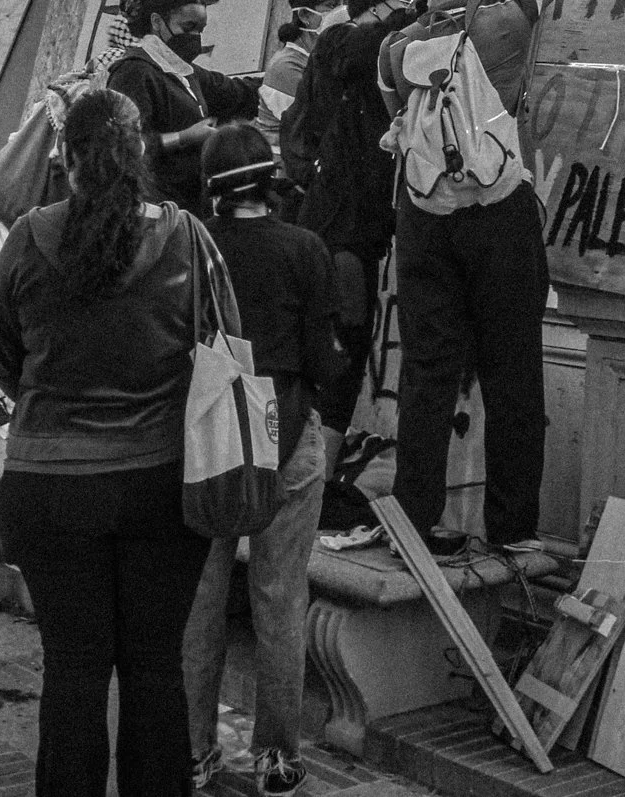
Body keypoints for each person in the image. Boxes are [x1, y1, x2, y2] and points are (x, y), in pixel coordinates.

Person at [377, 0, 625, 552]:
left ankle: (416, 523)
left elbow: (396, 114)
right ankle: (511, 530)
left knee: (427, 377)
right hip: (498, 217)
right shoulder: (505, 18)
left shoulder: (392, 48)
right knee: (513, 374)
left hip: (422, 222)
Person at [0, 89, 235, 796]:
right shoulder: (187, 237)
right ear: (141, 154)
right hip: (160, 482)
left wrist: (46, 401)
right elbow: (226, 349)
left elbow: (1, 350)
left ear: (66, 157)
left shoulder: (28, 237)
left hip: (47, 485)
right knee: (155, 664)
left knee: (73, 666)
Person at [183, 123, 341, 794]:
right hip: (288, 430)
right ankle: (275, 754)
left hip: (211, 436)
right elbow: (321, 357)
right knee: (280, 599)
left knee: (200, 602)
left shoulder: (191, 246)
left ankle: (193, 753)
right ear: (271, 180)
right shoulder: (306, 247)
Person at [282, 0, 419, 470]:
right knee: (343, 344)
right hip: (337, 229)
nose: (408, 9)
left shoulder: (374, 44)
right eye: (399, 0)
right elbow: (364, 50)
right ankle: (315, 473)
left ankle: (318, 469)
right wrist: (416, 14)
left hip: (357, 229)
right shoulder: (342, 43)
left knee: (349, 346)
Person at [103, 0, 260, 218]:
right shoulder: (134, 72)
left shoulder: (184, 72)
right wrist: (184, 137)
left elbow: (236, 93)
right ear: (157, 23)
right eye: (188, 27)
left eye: (201, 29)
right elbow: (124, 147)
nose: (195, 37)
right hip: (155, 213)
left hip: (190, 208)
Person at [254, 0, 346, 156]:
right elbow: (325, 126)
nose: (343, 12)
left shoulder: (325, 56)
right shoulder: (286, 66)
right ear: (305, 15)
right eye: (332, 5)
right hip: (283, 173)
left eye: (347, 4)